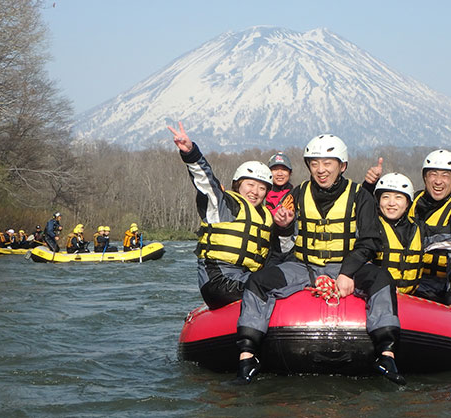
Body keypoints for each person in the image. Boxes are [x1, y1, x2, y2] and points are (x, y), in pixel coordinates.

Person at [235, 134, 406, 385]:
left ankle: (386, 355)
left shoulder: (361, 196)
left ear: (342, 166)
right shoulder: (296, 194)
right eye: (314, 163)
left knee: (382, 279)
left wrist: (347, 272)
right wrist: (283, 227)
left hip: (347, 266)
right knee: (258, 281)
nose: (321, 170)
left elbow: (370, 241)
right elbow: (283, 246)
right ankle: (248, 356)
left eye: (328, 163)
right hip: (303, 265)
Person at [168, 121, 275, 310]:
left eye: (261, 188)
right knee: (275, 288)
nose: (255, 192)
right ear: (238, 185)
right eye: (250, 185)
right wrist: (191, 153)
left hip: (245, 278)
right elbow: (205, 181)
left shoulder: (266, 217)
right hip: (219, 282)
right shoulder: (223, 207)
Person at [368, 172, 451, 298]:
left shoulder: (420, 231)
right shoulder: (368, 229)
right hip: (377, 294)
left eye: (398, 198)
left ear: (407, 203)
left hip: (410, 298)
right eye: (386, 197)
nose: (392, 203)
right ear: (378, 201)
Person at [264, 152, 294, 216]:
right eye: (275, 169)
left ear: (290, 173)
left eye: (284, 169)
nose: (279, 174)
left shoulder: (296, 195)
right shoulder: (262, 194)